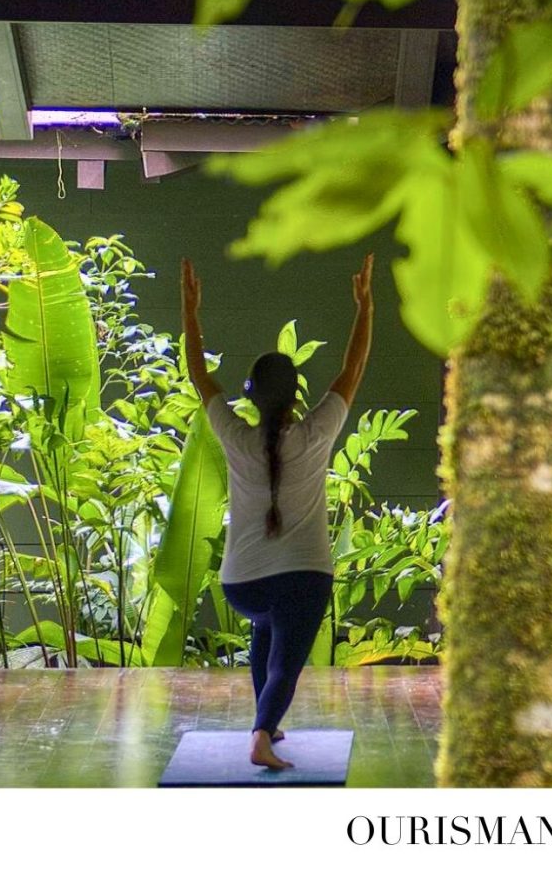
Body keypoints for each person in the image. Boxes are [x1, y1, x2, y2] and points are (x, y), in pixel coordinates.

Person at [180, 253, 374, 772]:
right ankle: (262, 734)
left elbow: (199, 374)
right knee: (285, 658)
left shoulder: (236, 436)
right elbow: (352, 369)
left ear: (255, 397)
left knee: (265, 631)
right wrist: (365, 306)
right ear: (294, 397)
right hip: (302, 579)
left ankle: (266, 720)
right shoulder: (316, 432)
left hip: (241, 586)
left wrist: (191, 311)